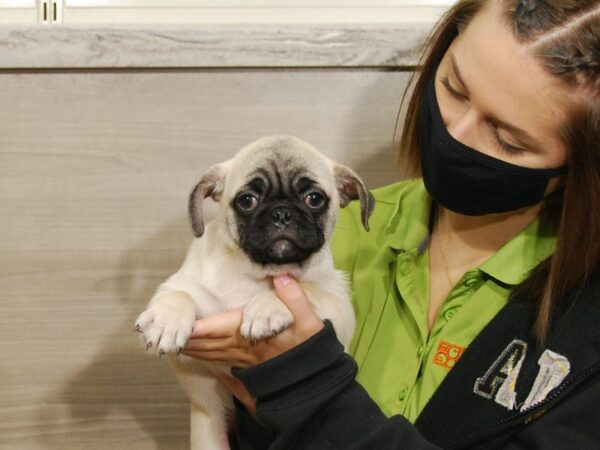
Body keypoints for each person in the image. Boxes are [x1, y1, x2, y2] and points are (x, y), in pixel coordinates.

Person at [182, 0, 600, 448]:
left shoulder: (583, 329)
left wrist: (309, 388)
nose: (456, 132)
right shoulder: (330, 237)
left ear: (582, 164)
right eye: (454, 88)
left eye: (507, 139)